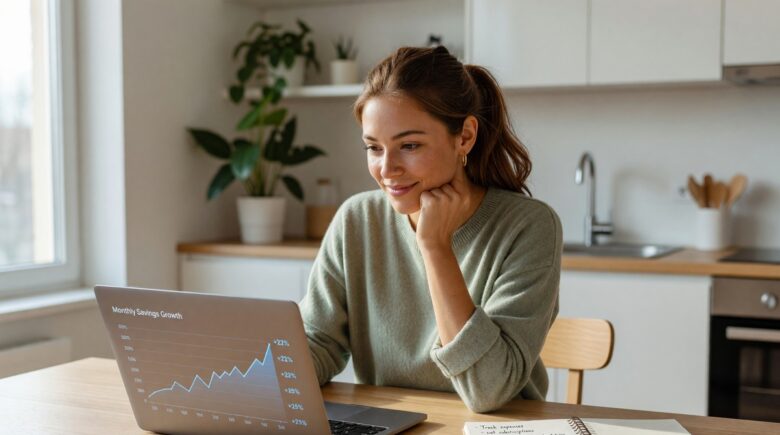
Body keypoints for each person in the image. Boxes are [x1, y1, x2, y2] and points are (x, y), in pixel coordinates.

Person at [299, 45, 562, 413]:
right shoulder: (356, 218)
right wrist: (249, 376)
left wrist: (434, 246)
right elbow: (318, 343)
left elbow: (489, 389)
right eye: (374, 148)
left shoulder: (528, 227)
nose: (387, 169)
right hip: (390, 424)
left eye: (409, 145)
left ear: (465, 137)